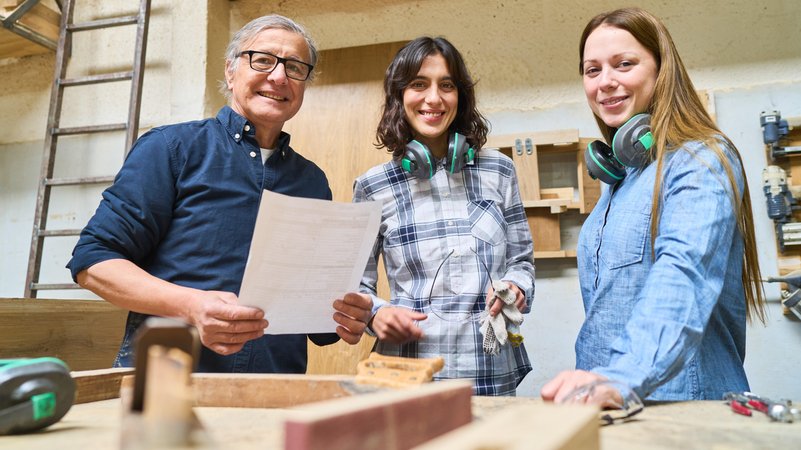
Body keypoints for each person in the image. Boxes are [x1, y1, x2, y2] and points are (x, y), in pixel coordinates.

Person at [67, 14, 372, 373]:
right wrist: (190, 305)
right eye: (262, 60)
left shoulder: (312, 181)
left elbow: (319, 326)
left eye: (295, 67)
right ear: (230, 71)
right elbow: (93, 261)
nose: (278, 76)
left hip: (276, 388)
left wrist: (346, 315)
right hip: (169, 382)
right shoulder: (171, 148)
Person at [541, 7, 766, 404]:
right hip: (614, 402)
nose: (605, 82)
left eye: (624, 64)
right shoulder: (621, 178)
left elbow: (684, 275)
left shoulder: (700, 159)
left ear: (662, 71)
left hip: (682, 405)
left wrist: (622, 377)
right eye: (592, 71)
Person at [353, 37, 536, 396]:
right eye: (419, 84)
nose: (433, 98)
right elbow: (356, 286)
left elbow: (522, 262)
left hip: (489, 372)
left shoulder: (499, 170)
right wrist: (376, 314)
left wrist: (515, 287)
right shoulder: (372, 186)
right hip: (406, 376)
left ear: (460, 96)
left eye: (446, 85)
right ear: (399, 97)